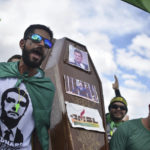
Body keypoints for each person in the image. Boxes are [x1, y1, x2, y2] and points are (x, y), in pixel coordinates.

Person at [0, 24, 55, 150]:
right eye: (36, 38)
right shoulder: (1, 72)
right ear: (22, 43)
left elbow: (43, 130)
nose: (41, 44)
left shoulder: (46, 88)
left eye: (47, 43)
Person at [106, 75, 128, 142]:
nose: (118, 109)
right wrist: (116, 90)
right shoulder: (101, 119)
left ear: (125, 112)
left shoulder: (127, 128)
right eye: (115, 107)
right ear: (109, 109)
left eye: (122, 108)